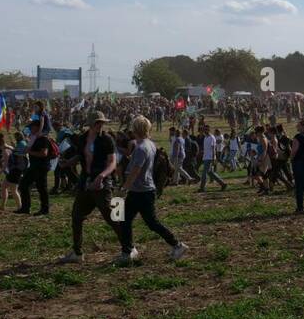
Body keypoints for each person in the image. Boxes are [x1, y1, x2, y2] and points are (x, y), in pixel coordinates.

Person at [115, 116, 186, 265]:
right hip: (143, 190)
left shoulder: (141, 148)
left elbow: (135, 170)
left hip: (140, 191)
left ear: (136, 129)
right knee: (126, 220)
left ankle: (177, 245)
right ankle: (128, 251)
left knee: (148, 222)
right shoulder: (150, 144)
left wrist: (123, 189)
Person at [59, 113, 123, 263]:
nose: (100, 125)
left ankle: (129, 247)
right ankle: (77, 252)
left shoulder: (107, 139)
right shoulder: (82, 139)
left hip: (102, 184)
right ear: (90, 124)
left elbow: (113, 162)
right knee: (76, 216)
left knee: (114, 217)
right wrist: (68, 163)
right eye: (97, 123)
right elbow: (80, 157)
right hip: (85, 183)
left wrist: (102, 176)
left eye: (101, 122)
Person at [16, 121, 54, 215]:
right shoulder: (34, 139)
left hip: (41, 167)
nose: (30, 129)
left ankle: (45, 209)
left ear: (37, 127)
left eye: (32, 127)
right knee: (24, 184)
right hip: (34, 166)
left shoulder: (43, 139)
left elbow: (44, 153)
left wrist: (30, 152)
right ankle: (25, 208)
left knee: (42, 188)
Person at [198, 124, 227, 192]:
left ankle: (202, 188)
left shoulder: (212, 137)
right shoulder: (205, 138)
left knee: (204, 173)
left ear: (209, 130)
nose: (206, 130)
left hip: (210, 157)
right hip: (205, 157)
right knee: (210, 173)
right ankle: (223, 184)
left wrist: (214, 157)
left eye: (207, 129)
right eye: (205, 129)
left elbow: (214, 148)